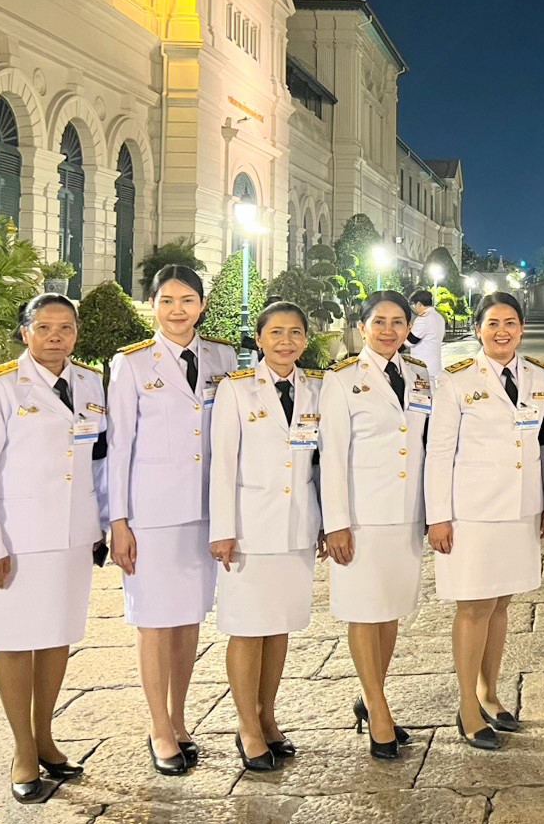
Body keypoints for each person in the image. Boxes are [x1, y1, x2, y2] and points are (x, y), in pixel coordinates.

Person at [0, 295, 107, 803]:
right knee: (15, 640)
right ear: (25, 332)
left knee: (56, 637)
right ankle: (22, 748)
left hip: (72, 533)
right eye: (44, 327)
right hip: (18, 535)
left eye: (65, 328)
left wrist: (103, 523)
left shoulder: (90, 382)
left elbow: (97, 460)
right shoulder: (1, 384)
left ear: (76, 333)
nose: (55, 336)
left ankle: (45, 735)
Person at [106, 266, 236, 774]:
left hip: (204, 511)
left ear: (202, 305)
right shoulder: (132, 363)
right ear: (153, 306)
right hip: (152, 514)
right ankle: (159, 727)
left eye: (187, 300)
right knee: (153, 623)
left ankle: (180, 719)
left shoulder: (222, 357)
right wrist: (118, 520)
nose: (177, 309)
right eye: (167, 300)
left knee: (187, 620)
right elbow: (119, 447)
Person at [426, 292, 544, 750]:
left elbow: (542, 446)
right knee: (474, 607)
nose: (503, 331)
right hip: (472, 513)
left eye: (512, 323)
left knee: (501, 605)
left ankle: (490, 693)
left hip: (520, 509)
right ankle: (466, 706)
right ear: (478, 328)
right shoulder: (456, 380)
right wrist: (438, 516)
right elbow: (439, 451)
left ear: (522, 328)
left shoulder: (540, 378)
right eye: (494, 323)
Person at [210, 302, 323, 771]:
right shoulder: (236, 390)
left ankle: (269, 716)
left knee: (278, 627)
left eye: (295, 333)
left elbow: (322, 461)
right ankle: (247, 726)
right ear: (258, 339)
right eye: (276, 333)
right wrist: (222, 529)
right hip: (250, 525)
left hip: (297, 523)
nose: (286, 341)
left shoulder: (316, 388)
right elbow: (222, 461)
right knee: (247, 627)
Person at [320, 291, 430, 759]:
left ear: (409, 329)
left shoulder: (421, 375)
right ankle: (379, 709)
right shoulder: (343, 378)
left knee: (390, 610)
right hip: (362, 515)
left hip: (405, 513)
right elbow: (331, 456)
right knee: (365, 610)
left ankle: (371, 696)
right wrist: (336, 523)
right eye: (379, 321)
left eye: (398, 322)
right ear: (362, 327)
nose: (389, 330)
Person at [407, 290, 446, 375]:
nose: (414, 308)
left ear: (419, 304)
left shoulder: (423, 319)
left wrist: (406, 330)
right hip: (435, 367)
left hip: (421, 367)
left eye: (414, 305)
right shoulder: (439, 317)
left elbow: (410, 342)